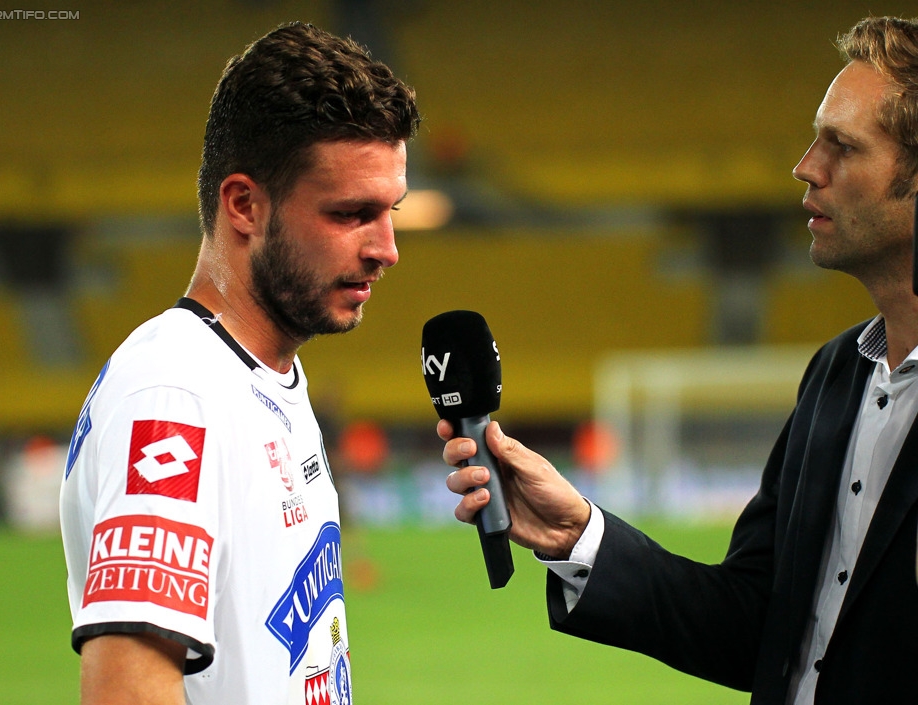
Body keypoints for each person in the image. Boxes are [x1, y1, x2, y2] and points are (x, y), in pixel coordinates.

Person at [441, 15, 918, 705]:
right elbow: (760, 624)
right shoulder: (835, 376)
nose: (807, 166)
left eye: (842, 146)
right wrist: (579, 534)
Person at [60, 22, 419, 705]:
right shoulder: (175, 394)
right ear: (245, 205)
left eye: (390, 212)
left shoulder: (257, 375)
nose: (387, 248)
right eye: (352, 213)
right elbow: (127, 689)